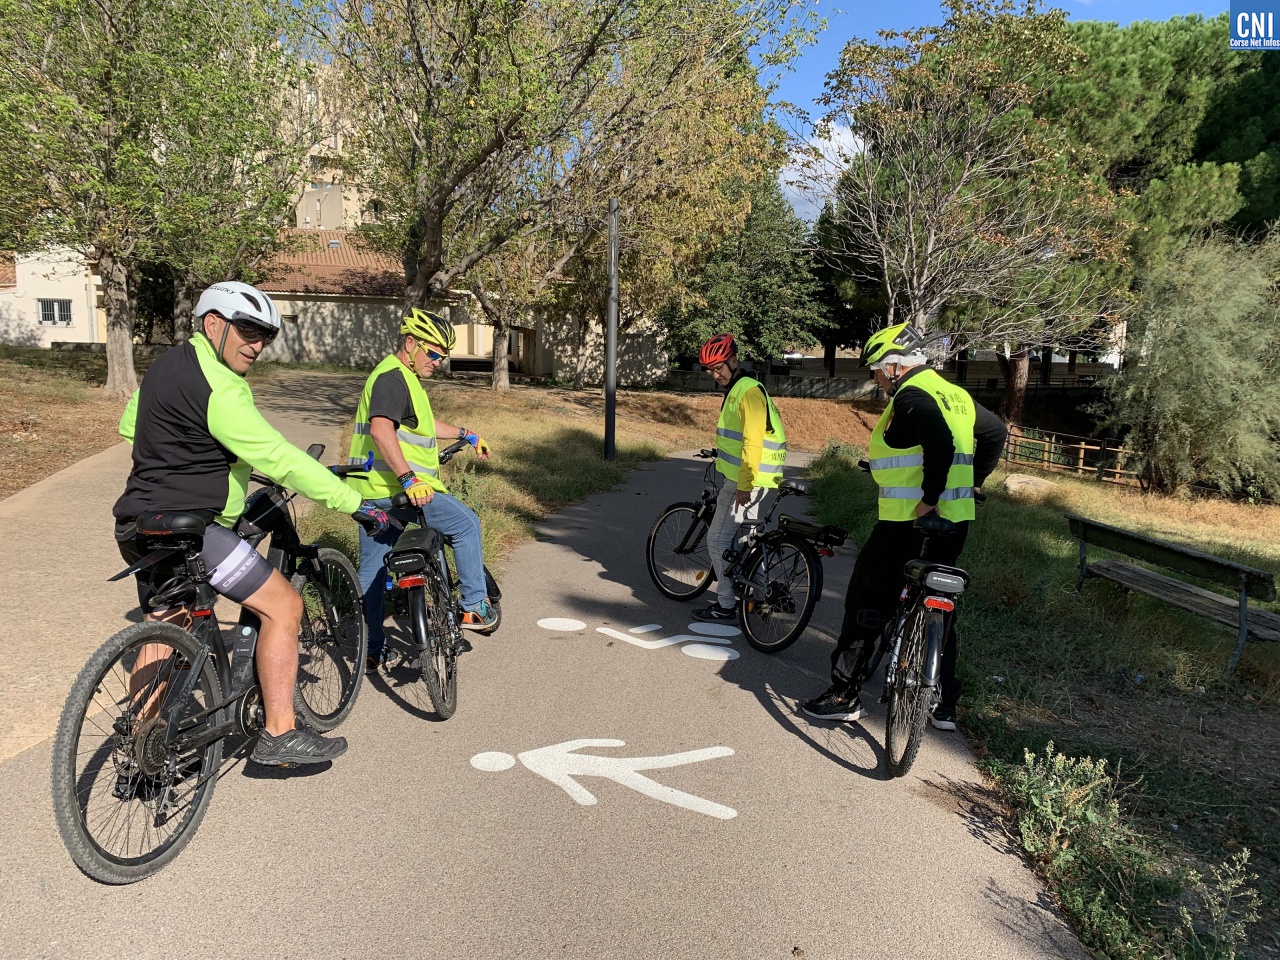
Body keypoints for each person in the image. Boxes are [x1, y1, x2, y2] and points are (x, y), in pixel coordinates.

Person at [114, 280, 393, 767]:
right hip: (196, 532)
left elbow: (129, 428)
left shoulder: (166, 364)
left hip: (137, 523)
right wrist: (354, 503)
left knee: (168, 620)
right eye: (247, 330)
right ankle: (279, 734)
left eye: (265, 335)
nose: (257, 344)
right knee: (284, 606)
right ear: (213, 324)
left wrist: (195, 453)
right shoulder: (221, 386)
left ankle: (142, 743)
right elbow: (277, 456)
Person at [800, 322, 1007, 729]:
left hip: (906, 523)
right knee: (939, 603)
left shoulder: (912, 396)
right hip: (955, 521)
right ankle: (943, 702)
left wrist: (928, 498)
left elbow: (940, 442)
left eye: (876, 369)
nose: (876, 378)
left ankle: (844, 694)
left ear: (894, 366)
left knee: (868, 600)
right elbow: (996, 432)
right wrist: (976, 481)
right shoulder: (955, 394)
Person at [348, 308, 495, 673]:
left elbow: (423, 427)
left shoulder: (402, 378)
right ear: (411, 343)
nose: (437, 362)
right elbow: (381, 430)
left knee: (372, 571)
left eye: (442, 356)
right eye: (432, 353)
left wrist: (466, 434)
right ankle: (474, 606)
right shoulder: (393, 378)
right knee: (466, 525)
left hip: (370, 493)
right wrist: (409, 479)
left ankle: (372, 649)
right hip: (400, 491)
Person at [692, 332, 787, 624]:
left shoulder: (747, 391)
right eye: (710, 370)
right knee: (747, 542)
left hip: (747, 480)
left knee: (717, 540)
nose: (715, 374)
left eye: (718, 367)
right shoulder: (740, 388)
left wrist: (744, 484)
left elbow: (753, 442)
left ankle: (725, 604)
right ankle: (759, 598)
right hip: (757, 477)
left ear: (734, 360)